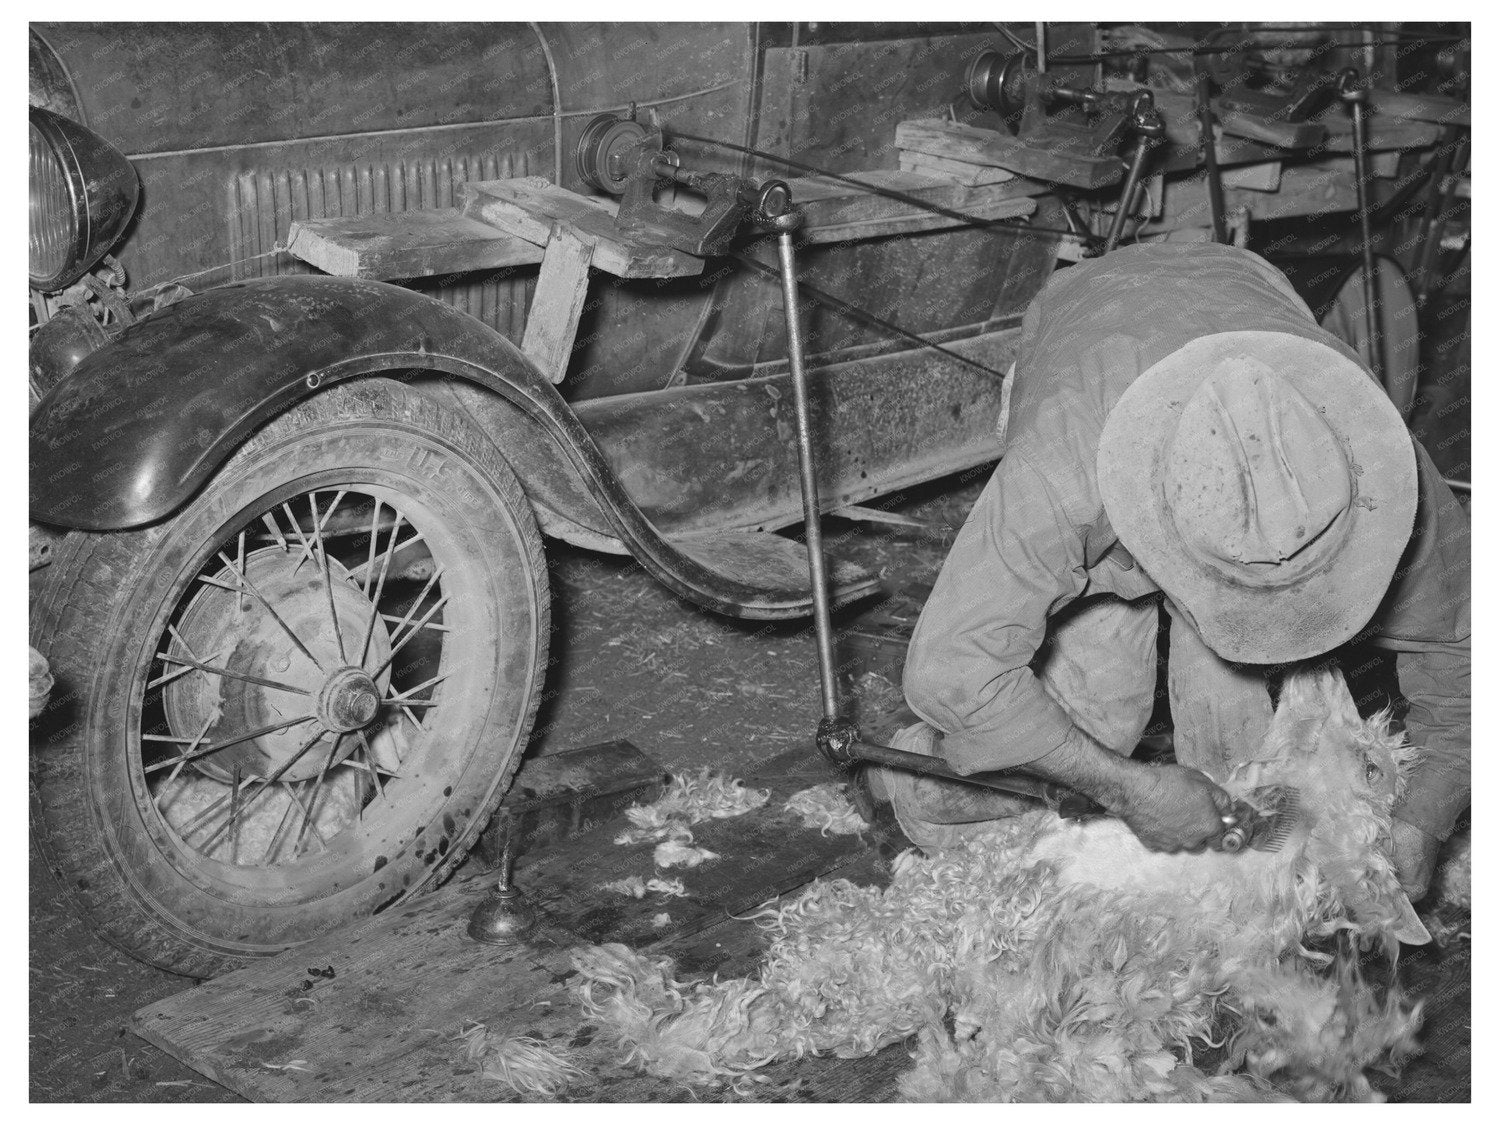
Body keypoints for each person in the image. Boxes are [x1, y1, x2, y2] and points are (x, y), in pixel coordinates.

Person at [877, 242, 1469, 901]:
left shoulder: (1382, 467)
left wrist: (1426, 815)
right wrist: (1127, 788)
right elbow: (953, 669)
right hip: (1094, 326)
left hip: (1229, 283)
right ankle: (909, 775)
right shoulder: (1062, 473)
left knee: (1242, 754)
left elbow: (1468, 647)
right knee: (1098, 723)